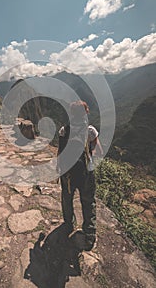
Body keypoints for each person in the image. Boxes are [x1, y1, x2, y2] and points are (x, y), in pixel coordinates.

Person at [57, 100, 103, 251]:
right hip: (86, 173)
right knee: (88, 202)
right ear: (86, 112)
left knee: (67, 198)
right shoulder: (90, 131)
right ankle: (89, 234)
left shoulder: (64, 130)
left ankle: (68, 224)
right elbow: (99, 152)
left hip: (68, 173)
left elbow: (60, 152)